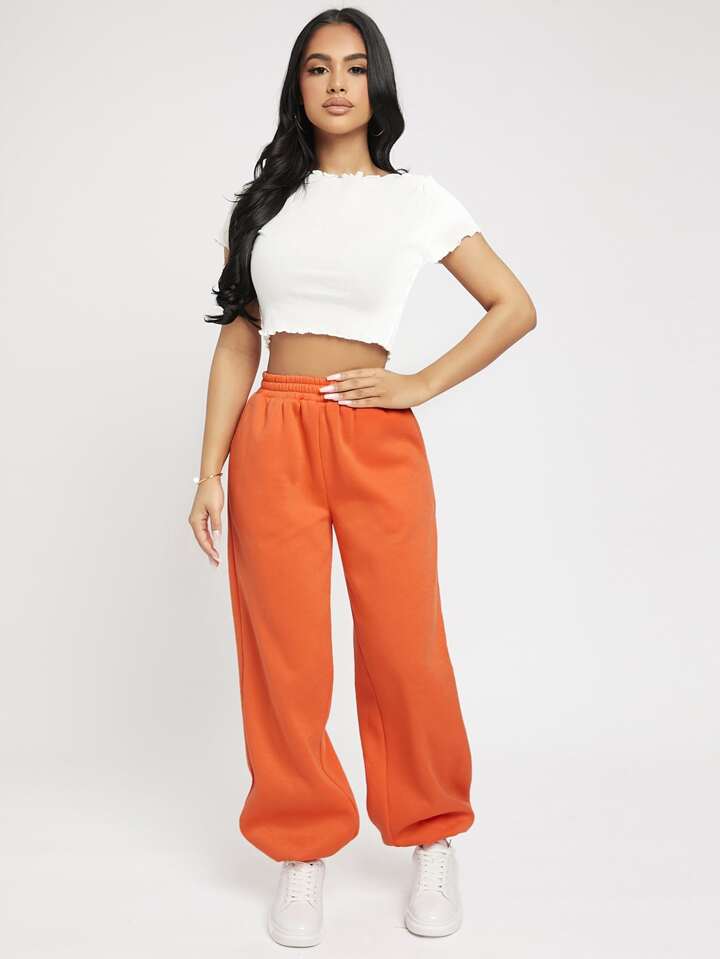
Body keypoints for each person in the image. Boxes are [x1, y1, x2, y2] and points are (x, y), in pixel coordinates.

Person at [189, 8, 536, 949]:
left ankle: (431, 834)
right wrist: (209, 467)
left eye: (353, 66)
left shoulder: (418, 200)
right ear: (297, 86)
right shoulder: (263, 206)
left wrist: (419, 382)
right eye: (317, 67)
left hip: (374, 432)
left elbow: (513, 305)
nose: (336, 83)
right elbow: (238, 342)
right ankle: (302, 848)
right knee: (285, 654)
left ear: (377, 84)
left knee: (404, 643)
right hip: (274, 431)